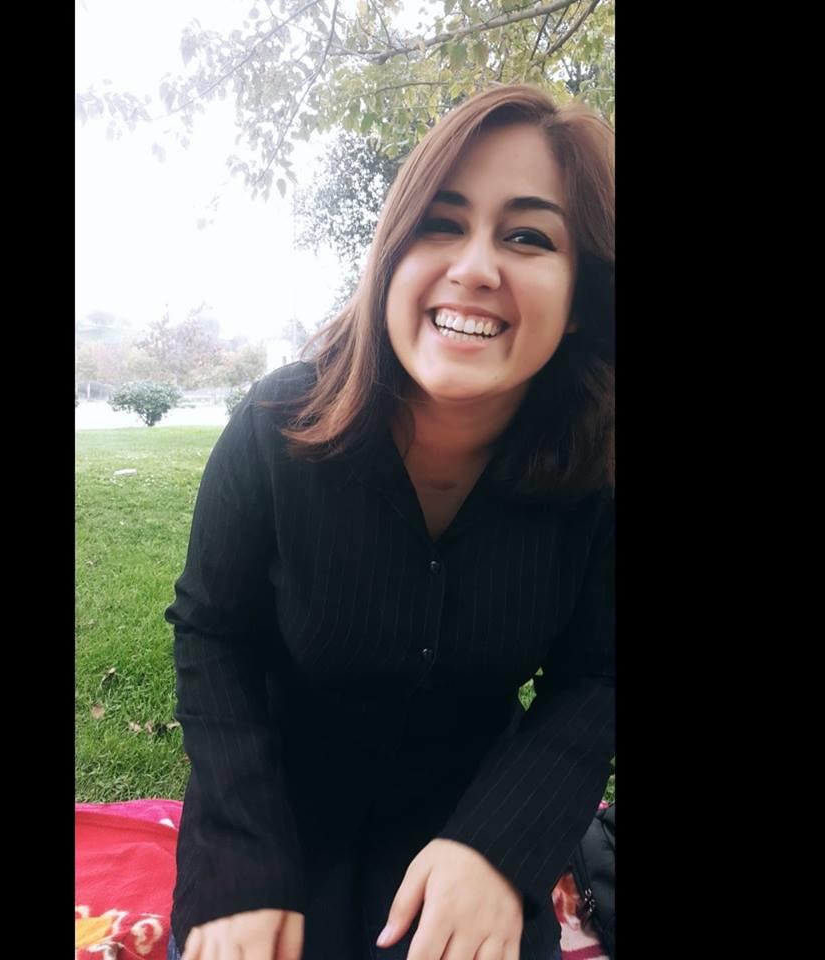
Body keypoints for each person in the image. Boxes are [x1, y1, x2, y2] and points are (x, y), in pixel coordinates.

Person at [165, 82, 615, 960]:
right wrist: (240, 855)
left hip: (474, 820)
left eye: (528, 236)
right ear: (389, 260)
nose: (474, 268)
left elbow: (597, 677)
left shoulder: (598, 471)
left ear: (579, 301)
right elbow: (212, 631)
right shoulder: (277, 425)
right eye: (440, 224)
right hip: (275, 809)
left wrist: (503, 845)